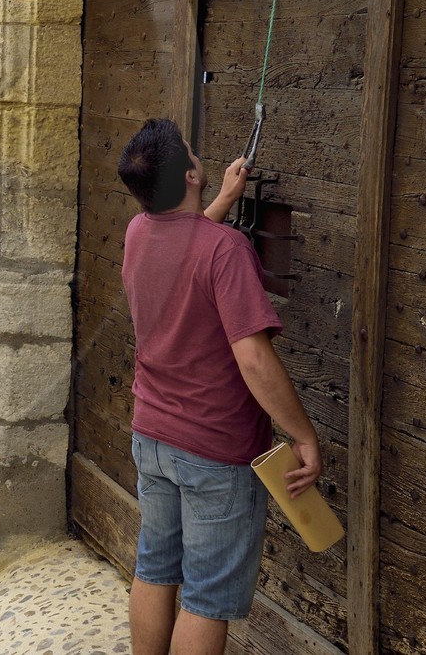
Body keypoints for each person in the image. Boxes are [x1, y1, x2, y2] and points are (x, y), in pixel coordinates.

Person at [114, 118, 322, 655]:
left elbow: (185, 248)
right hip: (215, 453)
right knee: (205, 598)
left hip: (152, 438)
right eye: (191, 149)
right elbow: (253, 358)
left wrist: (225, 197)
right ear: (190, 174)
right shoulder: (224, 250)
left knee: (155, 567)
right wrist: (303, 437)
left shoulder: (139, 234)